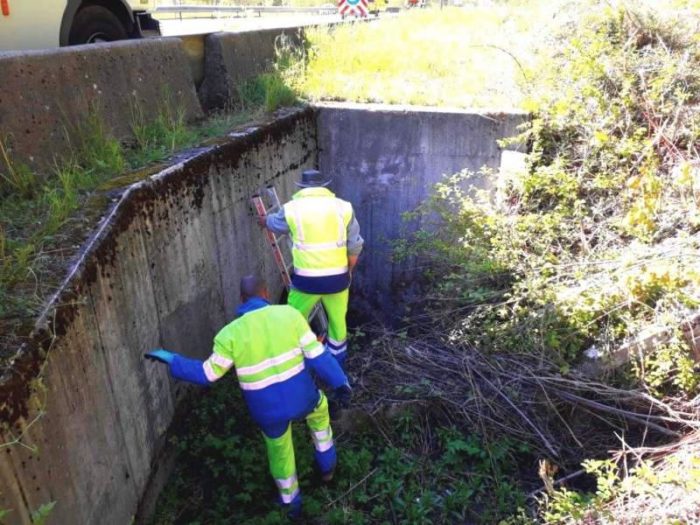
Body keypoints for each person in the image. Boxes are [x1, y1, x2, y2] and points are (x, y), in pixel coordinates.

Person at [145, 275, 352, 520]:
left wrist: (172, 360)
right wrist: (342, 384)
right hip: (303, 398)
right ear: (265, 295)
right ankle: (327, 468)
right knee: (320, 413)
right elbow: (320, 358)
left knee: (280, 452)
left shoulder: (229, 335)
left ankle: (291, 505)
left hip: (267, 412)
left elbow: (207, 375)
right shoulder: (290, 316)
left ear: (241, 300)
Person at [261, 169, 363, 368]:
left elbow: (277, 225)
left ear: (302, 187)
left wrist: (265, 220)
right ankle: (337, 366)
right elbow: (355, 244)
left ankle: (293, 361)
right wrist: (348, 269)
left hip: (306, 282)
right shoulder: (343, 207)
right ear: (324, 186)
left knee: (292, 320)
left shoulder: (292, 208)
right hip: (338, 280)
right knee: (337, 322)